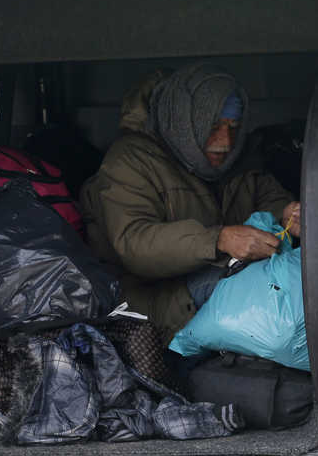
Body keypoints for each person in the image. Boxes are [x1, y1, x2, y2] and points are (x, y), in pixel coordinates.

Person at [81, 63, 301, 346]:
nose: (224, 142)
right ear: (184, 123)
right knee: (269, 297)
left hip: (218, 276)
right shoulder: (129, 161)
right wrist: (218, 240)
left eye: (233, 128)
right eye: (212, 127)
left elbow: (265, 195)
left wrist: (285, 213)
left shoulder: (237, 158)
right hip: (147, 301)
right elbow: (135, 243)